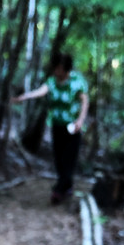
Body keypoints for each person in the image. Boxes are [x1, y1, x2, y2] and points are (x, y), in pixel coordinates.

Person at [12, 53, 89, 205]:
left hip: (73, 128)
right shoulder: (52, 81)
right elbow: (41, 91)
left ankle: (58, 191)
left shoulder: (77, 82)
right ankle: (66, 186)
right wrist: (24, 97)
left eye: (60, 68)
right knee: (59, 159)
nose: (57, 70)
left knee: (69, 159)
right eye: (56, 67)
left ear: (66, 68)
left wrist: (80, 120)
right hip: (57, 126)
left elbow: (85, 102)